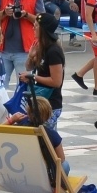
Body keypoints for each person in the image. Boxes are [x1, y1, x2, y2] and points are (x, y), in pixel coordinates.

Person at [22, 12, 66, 157]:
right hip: (39, 101)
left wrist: (33, 77)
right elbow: (29, 66)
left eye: (36, 26)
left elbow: (56, 81)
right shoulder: (41, 47)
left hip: (50, 104)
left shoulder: (53, 51)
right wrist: (31, 55)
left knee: (46, 141)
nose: (33, 28)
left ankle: (54, 168)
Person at [0, 0, 42, 85]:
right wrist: (4, 12)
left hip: (25, 51)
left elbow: (42, 20)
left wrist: (26, 15)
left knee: (24, 87)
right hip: (4, 49)